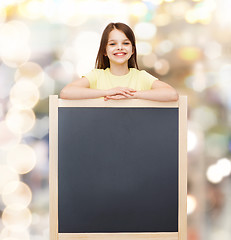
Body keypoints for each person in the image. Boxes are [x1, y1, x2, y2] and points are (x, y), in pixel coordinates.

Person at [60, 22, 179, 102]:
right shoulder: (96, 76)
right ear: (104, 51)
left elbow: (172, 94)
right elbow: (66, 93)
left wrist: (134, 95)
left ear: (132, 50)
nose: (120, 48)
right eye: (113, 44)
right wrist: (108, 92)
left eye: (125, 43)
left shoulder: (140, 77)